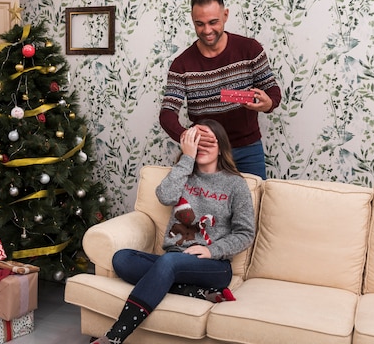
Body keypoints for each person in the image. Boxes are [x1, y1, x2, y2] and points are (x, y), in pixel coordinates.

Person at [91, 119, 255, 344]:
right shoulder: (182, 174)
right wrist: (187, 159)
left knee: (168, 263)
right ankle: (194, 292)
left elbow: (245, 233)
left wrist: (212, 250)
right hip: (174, 260)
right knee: (122, 259)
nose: (202, 147)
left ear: (221, 148)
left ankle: (115, 336)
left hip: (214, 266)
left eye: (208, 142)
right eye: (197, 142)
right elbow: (165, 196)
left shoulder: (236, 185)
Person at [159, 0, 282, 180]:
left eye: (213, 22)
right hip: (206, 151)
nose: (207, 30)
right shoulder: (181, 64)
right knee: (207, 207)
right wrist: (186, 135)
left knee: (254, 205)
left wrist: (268, 103)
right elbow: (167, 113)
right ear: (192, 20)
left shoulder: (250, 49)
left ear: (225, 15)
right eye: (199, 24)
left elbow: (273, 92)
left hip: (248, 149)